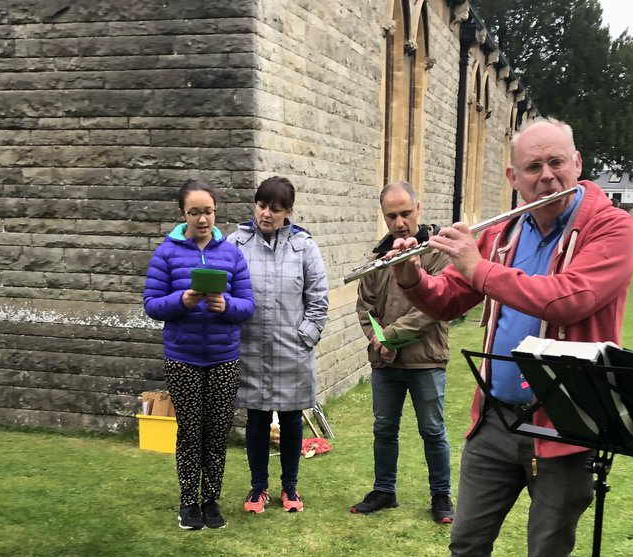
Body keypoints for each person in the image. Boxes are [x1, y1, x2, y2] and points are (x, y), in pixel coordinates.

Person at [393, 118, 633, 557]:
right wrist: (409, 274)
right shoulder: (504, 233)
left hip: (566, 422)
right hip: (497, 417)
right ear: (514, 177)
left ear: (577, 163)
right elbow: (450, 298)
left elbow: (569, 295)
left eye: (557, 162)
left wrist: (479, 268)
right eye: (534, 167)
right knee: (467, 544)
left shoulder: (610, 226)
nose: (547, 175)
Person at [144, 179, 254, 530]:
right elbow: (151, 304)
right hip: (183, 358)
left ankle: (212, 501)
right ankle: (188, 501)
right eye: (195, 212)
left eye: (208, 211)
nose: (202, 219)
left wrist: (226, 305)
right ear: (182, 214)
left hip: (223, 357)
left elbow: (248, 305)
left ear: (215, 211)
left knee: (217, 432)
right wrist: (181, 301)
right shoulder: (167, 253)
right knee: (190, 432)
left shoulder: (232, 254)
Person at [352, 181, 454, 524]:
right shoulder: (378, 259)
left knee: (432, 430)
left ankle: (441, 496)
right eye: (391, 215)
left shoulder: (438, 253)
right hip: (385, 364)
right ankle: (385, 490)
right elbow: (365, 307)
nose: (399, 222)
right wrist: (378, 342)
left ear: (419, 209)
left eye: (405, 213)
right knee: (384, 429)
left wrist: (390, 338)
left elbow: (433, 308)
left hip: (426, 361)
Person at [227, 176, 328, 513]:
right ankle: (258, 488)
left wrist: (304, 338)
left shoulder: (305, 247)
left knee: (290, 421)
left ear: (288, 212)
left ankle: (290, 487)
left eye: (275, 208)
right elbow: (224, 292)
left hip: (291, 350)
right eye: (261, 205)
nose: (266, 213)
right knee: (255, 419)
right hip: (251, 348)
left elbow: (318, 301)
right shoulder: (236, 244)